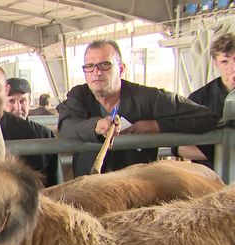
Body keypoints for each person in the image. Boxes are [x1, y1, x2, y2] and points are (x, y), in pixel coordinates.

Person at [57, 39, 218, 177]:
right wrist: (97, 126)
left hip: (137, 189)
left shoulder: (148, 98)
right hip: (91, 188)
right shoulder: (79, 95)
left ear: (120, 69)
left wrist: (156, 126)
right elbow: (66, 126)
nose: (96, 72)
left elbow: (206, 118)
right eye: (89, 66)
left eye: (104, 65)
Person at [178, 32, 235, 169]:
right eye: (224, 62)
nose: (232, 69)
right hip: (209, 178)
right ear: (215, 63)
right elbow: (179, 147)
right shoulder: (198, 100)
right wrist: (222, 151)